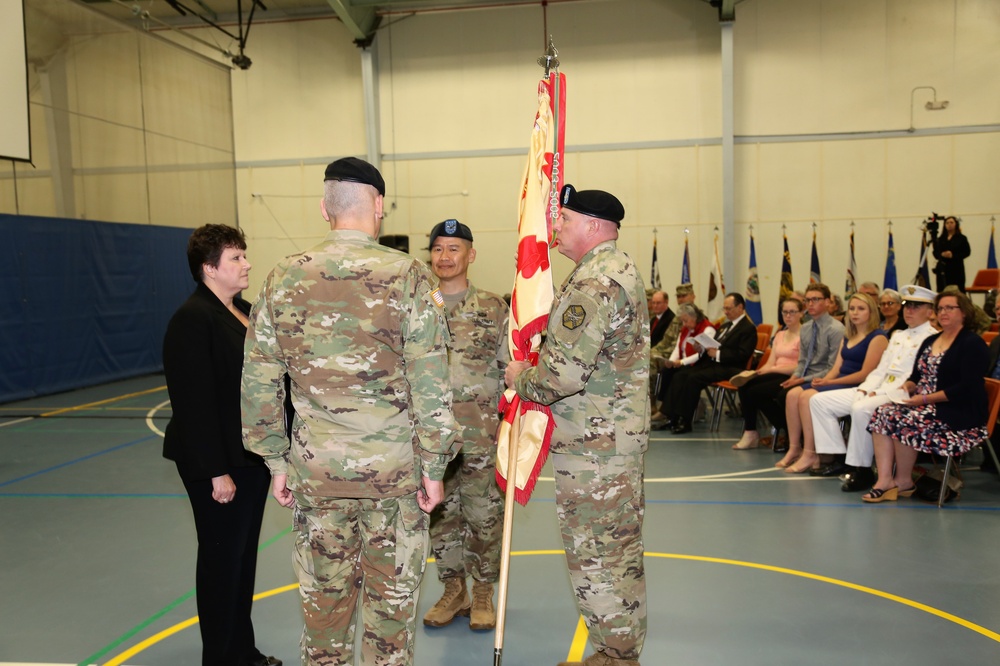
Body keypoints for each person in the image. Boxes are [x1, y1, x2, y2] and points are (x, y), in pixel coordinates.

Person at [241, 158, 457, 665]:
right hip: (395, 477)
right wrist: (435, 468)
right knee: (389, 626)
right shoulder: (407, 276)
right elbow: (432, 386)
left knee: (324, 619)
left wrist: (274, 462)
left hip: (317, 477)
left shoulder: (282, 277)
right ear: (378, 206)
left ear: (324, 209)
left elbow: (258, 383)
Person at [505, 184, 648, 666]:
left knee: (599, 557)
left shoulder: (593, 284)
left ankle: (616, 655)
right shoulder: (616, 269)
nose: (556, 229)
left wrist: (520, 378)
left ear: (592, 225)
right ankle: (618, 651)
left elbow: (561, 376)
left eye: (564, 220)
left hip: (595, 448)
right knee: (616, 553)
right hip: (608, 440)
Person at [162, 224, 280, 666]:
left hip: (248, 457)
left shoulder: (242, 310)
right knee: (220, 564)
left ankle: (241, 651)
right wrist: (216, 471)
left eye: (244, 255)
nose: (246, 263)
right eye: (235, 258)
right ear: (209, 268)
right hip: (218, 464)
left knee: (241, 561)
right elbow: (193, 403)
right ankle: (221, 658)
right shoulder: (193, 319)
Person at [421, 219, 507, 631]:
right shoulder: (418, 306)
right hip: (431, 440)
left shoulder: (494, 308)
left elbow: (511, 371)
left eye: (454, 249)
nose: (445, 256)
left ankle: (484, 592)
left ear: (471, 255)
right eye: (438, 248)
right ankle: (454, 590)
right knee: (441, 518)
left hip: (479, 436)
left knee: (483, 516)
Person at [863, 291, 989, 502]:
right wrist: (906, 388)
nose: (943, 312)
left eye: (950, 308)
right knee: (883, 412)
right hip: (924, 404)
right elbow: (916, 376)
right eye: (940, 308)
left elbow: (968, 387)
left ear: (964, 312)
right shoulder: (931, 340)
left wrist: (924, 399)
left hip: (958, 410)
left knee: (906, 418)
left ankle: (903, 480)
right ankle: (885, 481)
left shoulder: (972, 343)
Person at [809, 285, 937, 490]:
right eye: (907, 306)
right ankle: (837, 458)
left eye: (916, 306)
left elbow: (912, 377)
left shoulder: (932, 338)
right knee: (819, 401)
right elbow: (881, 370)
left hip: (899, 393)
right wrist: (864, 388)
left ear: (930, 311)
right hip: (877, 387)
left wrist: (875, 392)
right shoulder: (898, 335)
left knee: (861, 409)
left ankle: (862, 469)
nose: (909, 310)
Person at [781, 293, 888, 473]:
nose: (854, 313)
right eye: (852, 308)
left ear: (872, 312)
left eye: (861, 309)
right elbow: (837, 366)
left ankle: (812, 452)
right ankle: (796, 448)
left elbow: (865, 374)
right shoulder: (848, 336)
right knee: (793, 394)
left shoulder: (878, 337)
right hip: (840, 380)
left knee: (807, 397)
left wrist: (831, 382)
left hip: (858, 385)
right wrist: (826, 380)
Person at [758, 283, 844, 457]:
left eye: (816, 299)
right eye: (807, 300)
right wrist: (796, 375)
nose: (810, 304)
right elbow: (803, 361)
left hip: (824, 377)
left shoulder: (836, 329)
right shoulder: (806, 328)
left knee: (786, 394)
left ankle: (804, 445)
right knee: (783, 391)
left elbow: (831, 367)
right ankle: (794, 445)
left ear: (827, 302)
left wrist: (801, 380)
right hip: (805, 376)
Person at [664, 293, 758, 434]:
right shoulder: (725, 326)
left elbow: (742, 355)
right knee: (681, 374)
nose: (726, 312)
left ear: (740, 307)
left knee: (693, 378)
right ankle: (672, 417)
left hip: (731, 368)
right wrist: (701, 348)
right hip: (715, 363)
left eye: (729, 308)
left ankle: (686, 420)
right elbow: (714, 345)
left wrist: (718, 354)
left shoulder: (748, 328)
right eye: (724, 308)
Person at [730, 297, 803, 450]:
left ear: (801, 313)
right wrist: (759, 371)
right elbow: (771, 361)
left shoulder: (804, 335)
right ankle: (750, 432)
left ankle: (788, 428)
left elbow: (800, 366)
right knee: (745, 385)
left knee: (755, 392)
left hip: (791, 375)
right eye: (785, 312)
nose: (788, 316)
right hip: (774, 372)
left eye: (792, 312)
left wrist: (772, 369)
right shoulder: (780, 335)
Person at [651, 303, 715, 427]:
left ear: (694, 317)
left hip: (700, 364)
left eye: (685, 320)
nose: (684, 324)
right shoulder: (685, 329)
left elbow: (702, 354)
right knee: (667, 371)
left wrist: (681, 362)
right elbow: (677, 347)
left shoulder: (707, 329)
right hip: (685, 362)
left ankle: (668, 412)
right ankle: (665, 409)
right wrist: (671, 361)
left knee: (679, 375)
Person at [932, 215, 971, 293]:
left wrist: (953, 255)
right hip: (943, 268)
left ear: (956, 224)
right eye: (947, 223)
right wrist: (942, 254)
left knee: (956, 291)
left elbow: (967, 252)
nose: (949, 224)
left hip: (956, 268)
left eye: (951, 222)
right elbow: (935, 252)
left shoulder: (961, 238)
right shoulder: (940, 239)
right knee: (942, 290)